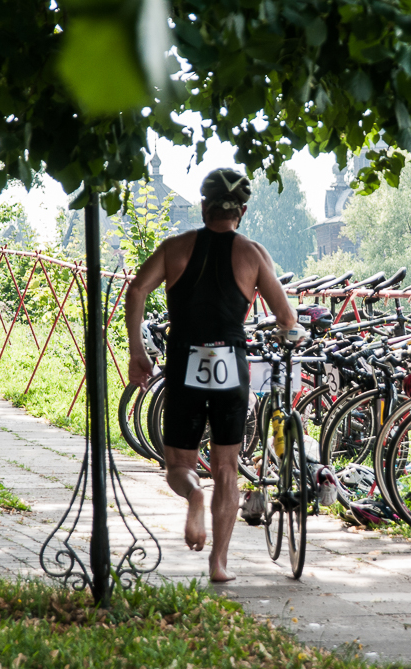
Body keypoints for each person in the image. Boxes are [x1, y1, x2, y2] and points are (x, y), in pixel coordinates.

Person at [125, 168, 300, 583]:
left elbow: (136, 291)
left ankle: (193, 495)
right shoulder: (253, 255)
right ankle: (219, 565)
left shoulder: (175, 248)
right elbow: (285, 316)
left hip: (185, 362)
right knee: (227, 466)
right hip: (231, 366)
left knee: (178, 465)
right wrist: (289, 329)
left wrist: (137, 352)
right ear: (241, 211)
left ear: (203, 207)